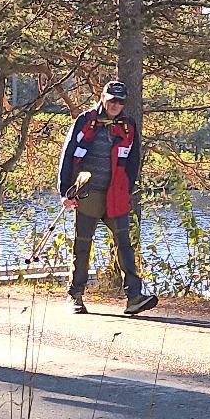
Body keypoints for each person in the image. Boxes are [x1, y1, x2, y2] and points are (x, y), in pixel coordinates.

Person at [58, 80, 157, 316]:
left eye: (120, 101)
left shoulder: (128, 126)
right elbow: (68, 154)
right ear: (103, 98)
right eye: (112, 99)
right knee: (82, 245)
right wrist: (64, 191)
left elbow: (133, 162)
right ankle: (76, 296)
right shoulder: (85, 121)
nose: (116, 105)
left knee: (125, 245)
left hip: (116, 194)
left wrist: (128, 189)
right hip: (87, 193)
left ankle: (134, 297)